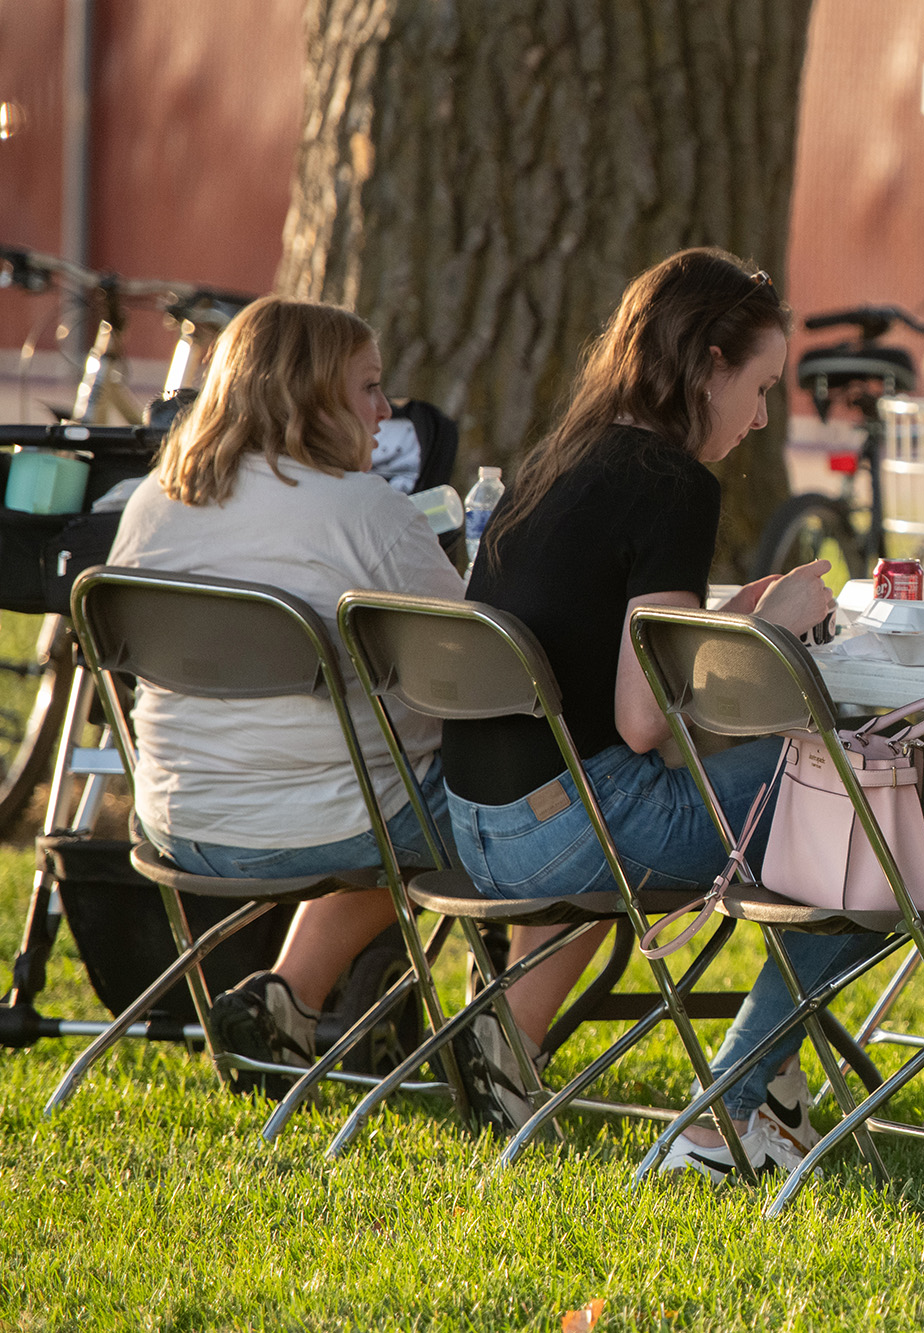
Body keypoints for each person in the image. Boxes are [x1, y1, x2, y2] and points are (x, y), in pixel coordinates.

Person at [443, 248, 876, 1176]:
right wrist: (774, 633)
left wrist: (734, 621)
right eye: (758, 388)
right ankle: (728, 1116)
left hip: (475, 820)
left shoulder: (558, 456)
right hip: (573, 822)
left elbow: (608, 653)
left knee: (822, 805)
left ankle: (765, 1088)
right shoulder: (674, 481)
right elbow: (647, 723)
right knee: (864, 813)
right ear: (708, 364)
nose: (762, 417)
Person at [107, 296, 465, 1095]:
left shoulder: (151, 504)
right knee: (503, 797)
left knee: (385, 799)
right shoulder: (366, 512)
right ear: (306, 392)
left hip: (180, 824)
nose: (385, 413)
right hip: (346, 826)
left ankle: (291, 1000)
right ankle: (503, 1040)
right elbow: (480, 664)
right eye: (369, 388)